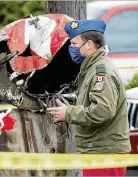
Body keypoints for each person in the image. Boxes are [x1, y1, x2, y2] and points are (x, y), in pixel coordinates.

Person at [47, 19, 131, 176]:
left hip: (105, 152)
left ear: (89, 45)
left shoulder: (101, 72)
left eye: (73, 43)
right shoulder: (91, 68)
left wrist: (69, 113)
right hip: (99, 149)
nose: (71, 48)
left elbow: (102, 111)